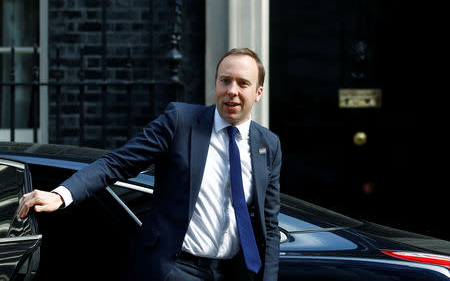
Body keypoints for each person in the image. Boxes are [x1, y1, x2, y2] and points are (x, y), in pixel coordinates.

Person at [18, 48, 282, 281]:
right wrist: (60, 195)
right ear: (215, 84)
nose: (232, 91)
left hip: (231, 271)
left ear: (258, 93)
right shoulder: (180, 122)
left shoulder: (267, 145)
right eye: (225, 81)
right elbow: (116, 163)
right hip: (175, 268)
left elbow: (268, 226)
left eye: (243, 83)